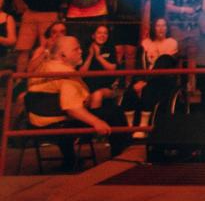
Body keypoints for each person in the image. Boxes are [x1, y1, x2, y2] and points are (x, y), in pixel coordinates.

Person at [26, 36, 130, 169]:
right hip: (56, 123)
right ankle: (119, 157)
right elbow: (71, 108)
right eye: (76, 49)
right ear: (63, 55)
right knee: (114, 112)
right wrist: (96, 122)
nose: (81, 51)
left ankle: (69, 160)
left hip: (38, 121)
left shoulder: (45, 66)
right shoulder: (65, 75)